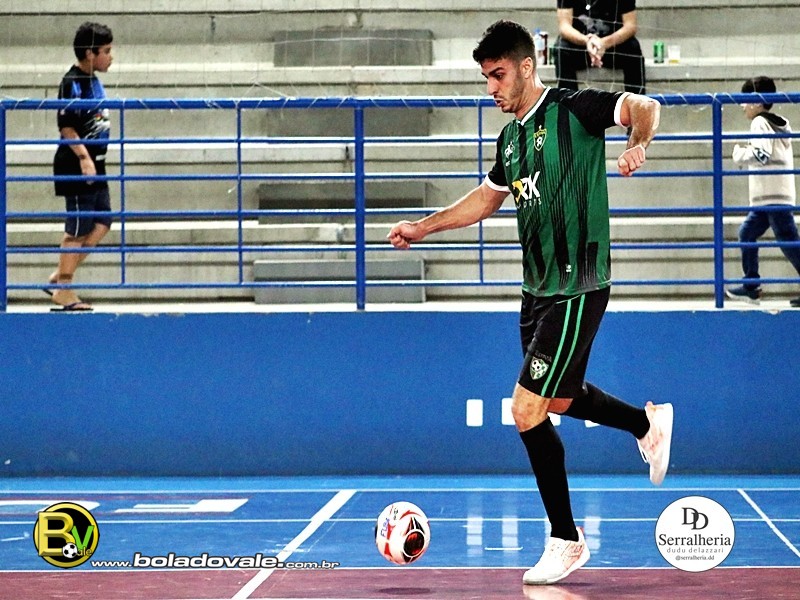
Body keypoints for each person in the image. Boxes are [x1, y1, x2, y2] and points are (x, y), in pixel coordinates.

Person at [387, 20, 672, 586]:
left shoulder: (574, 108)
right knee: (559, 398)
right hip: (536, 292)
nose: (490, 87)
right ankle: (646, 424)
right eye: (485, 78)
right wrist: (423, 227)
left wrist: (637, 143)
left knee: (526, 409)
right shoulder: (510, 140)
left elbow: (646, 106)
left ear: (526, 66)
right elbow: (485, 200)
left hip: (578, 284)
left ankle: (566, 540)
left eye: (498, 75)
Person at [47, 22, 114, 311]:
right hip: (77, 164)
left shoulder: (92, 79)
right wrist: (84, 158)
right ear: (90, 53)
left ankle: (60, 276)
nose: (111, 57)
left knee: (103, 222)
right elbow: (67, 127)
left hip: (98, 163)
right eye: (106, 51)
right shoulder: (71, 82)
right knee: (77, 227)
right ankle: (64, 289)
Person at [725, 76, 800, 307]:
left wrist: (739, 155)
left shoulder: (759, 122)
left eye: (745, 100)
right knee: (747, 233)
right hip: (773, 197)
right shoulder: (778, 122)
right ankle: (751, 286)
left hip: (772, 197)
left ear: (757, 101)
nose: (742, 106)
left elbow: (761, 154)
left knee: (788, 241)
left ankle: (751, 285)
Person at [553, 0, 645, 94]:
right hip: (581, 46)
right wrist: (586, 41)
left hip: (612, 46)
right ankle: (569, 101)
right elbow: (564, 27)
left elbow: (630, 26)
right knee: (561, 48)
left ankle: (638, 101)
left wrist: (604, 43)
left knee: (633, 47)